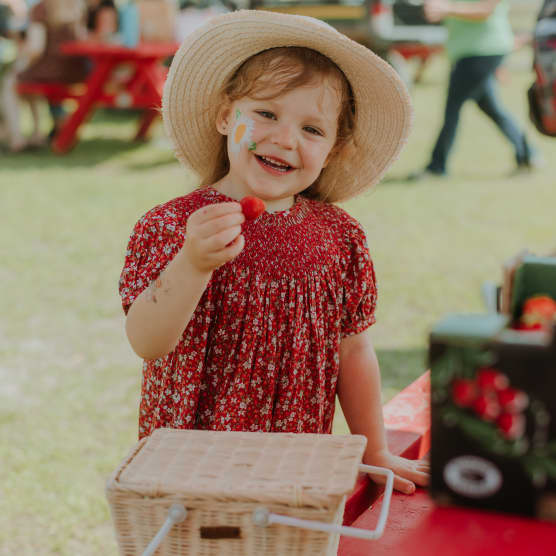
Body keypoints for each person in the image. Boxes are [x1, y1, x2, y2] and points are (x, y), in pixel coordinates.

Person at [119, 10, 429, 494]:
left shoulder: (339, 237)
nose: (285, 139)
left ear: (335, 147)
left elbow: (354, 349)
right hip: (193, 473)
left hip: (294, 473)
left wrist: (374, 449)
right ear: (226, 116)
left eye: (312, 129)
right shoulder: (174, 226)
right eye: (266, 114)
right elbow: (146, 341)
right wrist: (193, 263)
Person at [409, 0, 541, 180]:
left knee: (452, 108)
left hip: (481, 52)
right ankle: (528, 155)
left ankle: (436, 166)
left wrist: (447, 8)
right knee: (492, 108)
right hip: (473, 52)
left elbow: (486, 10)